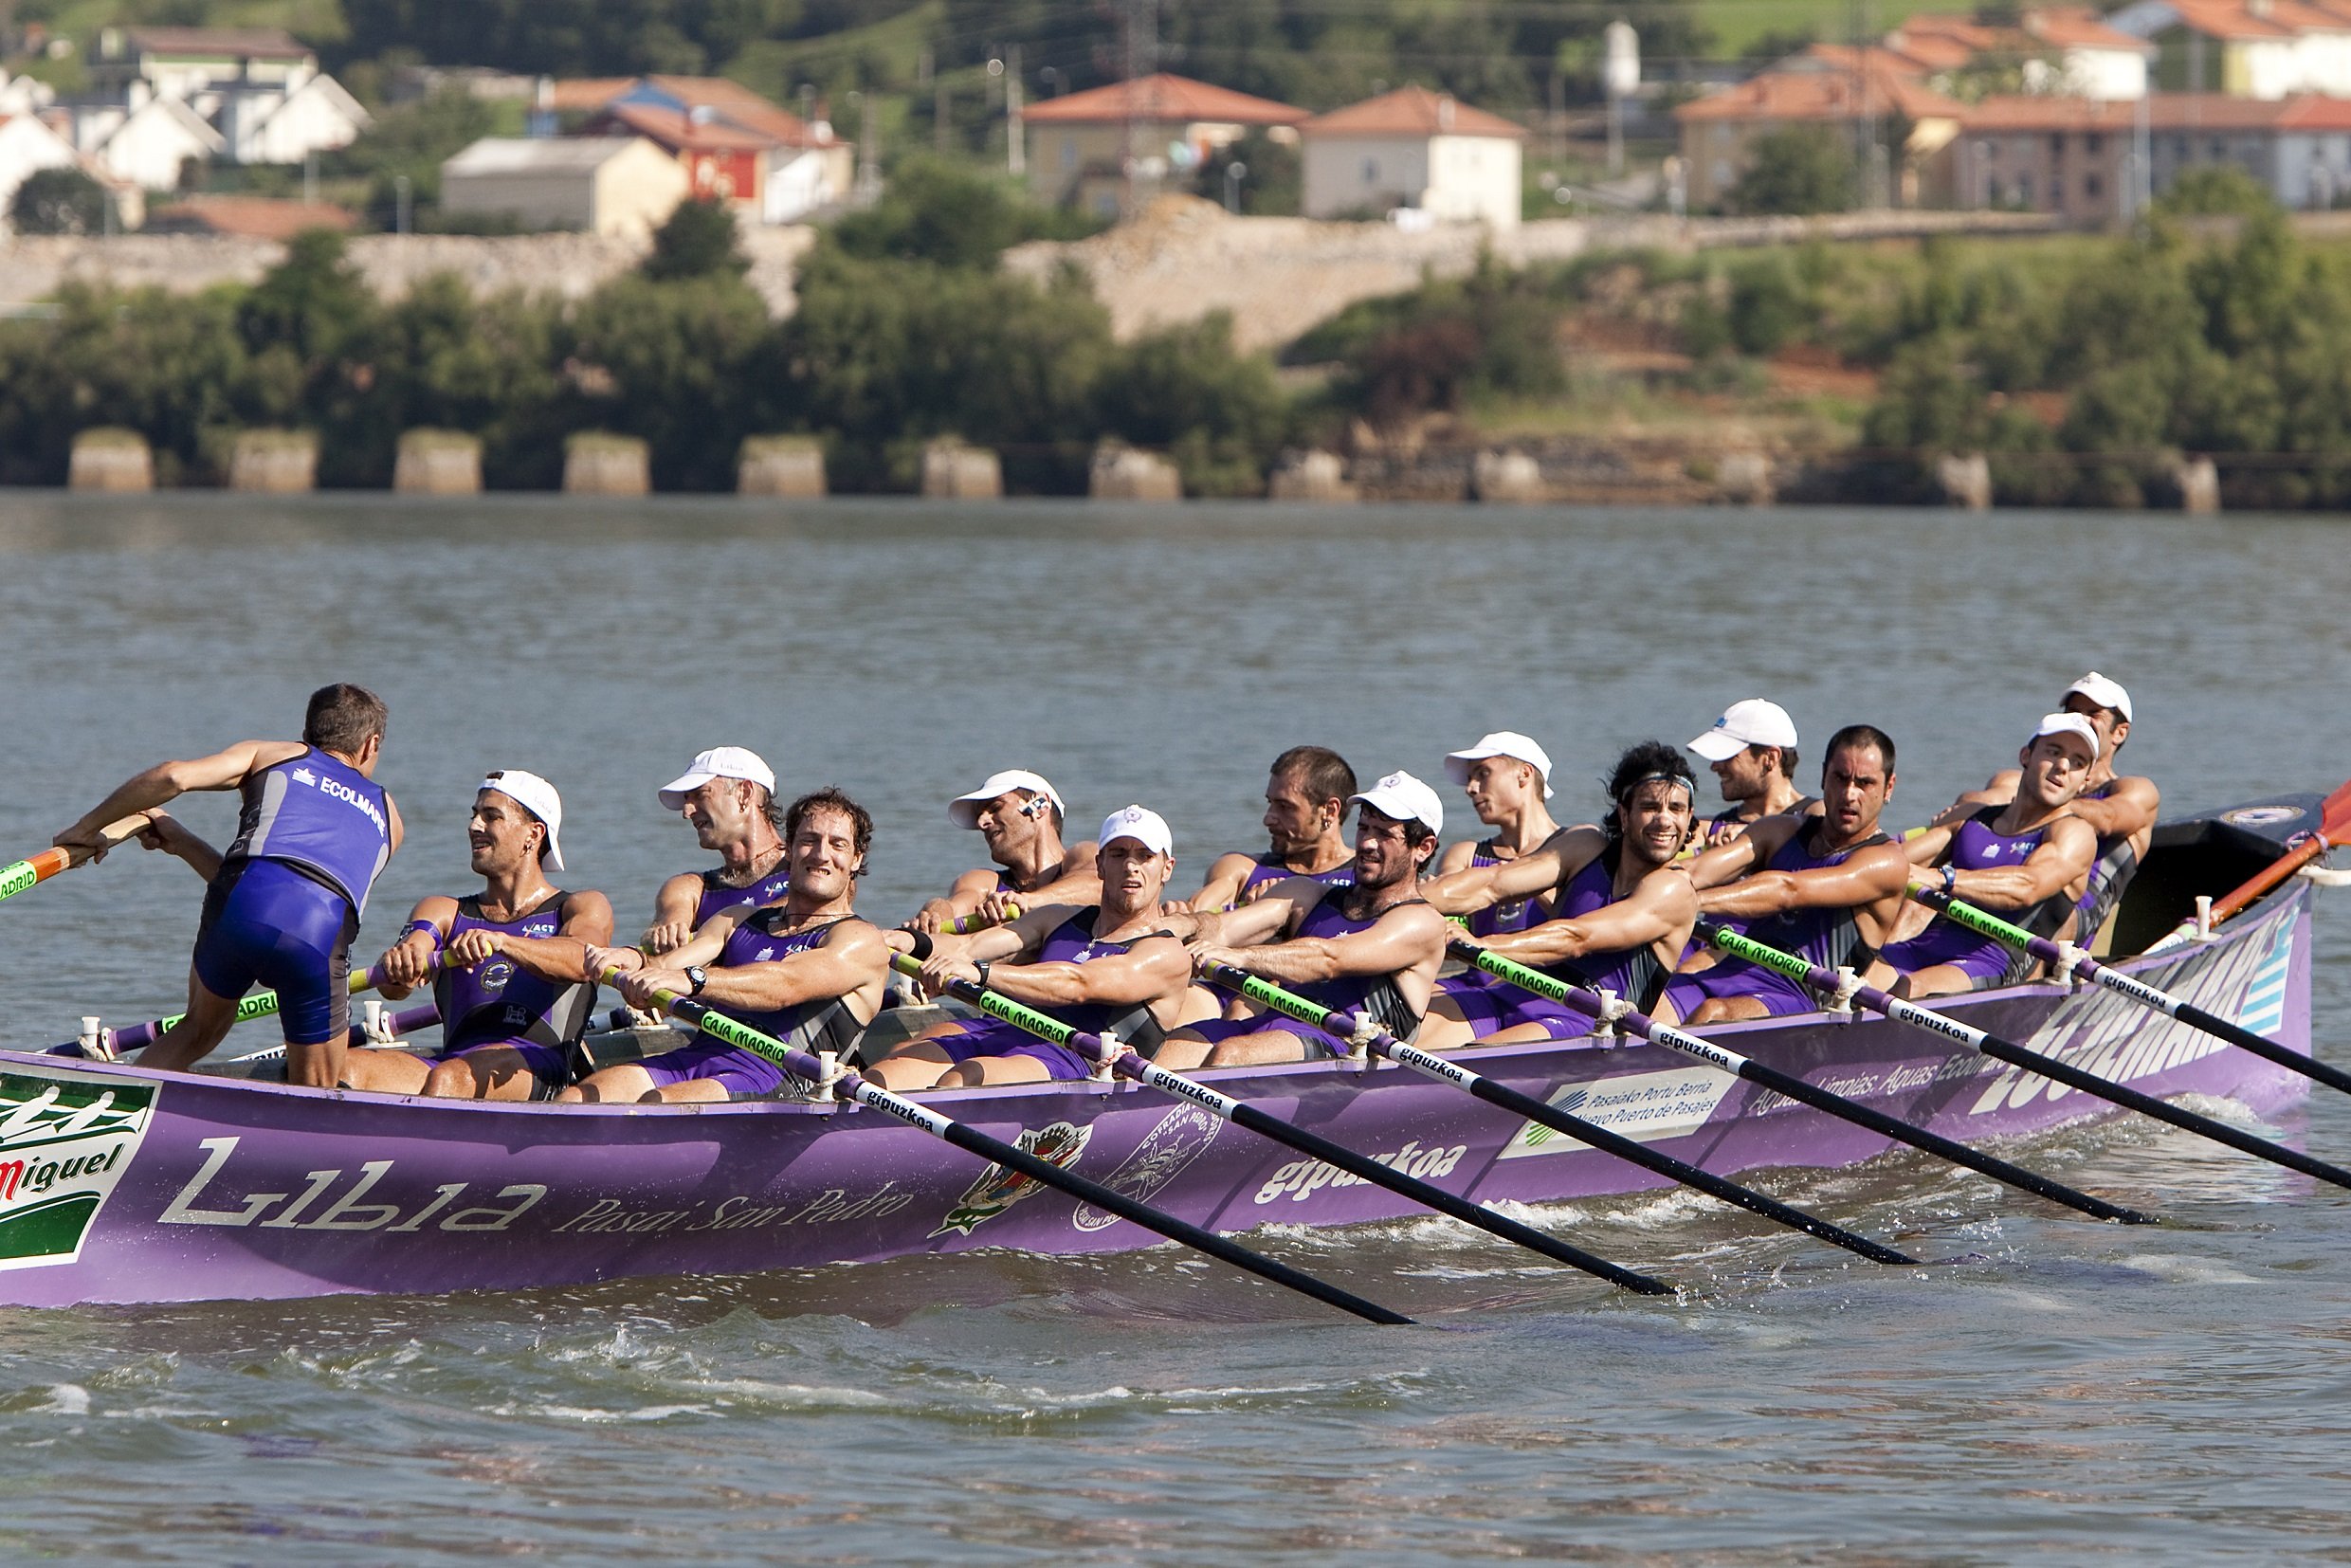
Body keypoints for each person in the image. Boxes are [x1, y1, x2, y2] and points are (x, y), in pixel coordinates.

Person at [54, 684, 402, 1088]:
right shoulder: (390, 818)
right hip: (318, 936)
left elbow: (173, 777)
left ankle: (125, 1105)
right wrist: (182, 842)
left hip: (240, 909)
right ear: (371, 744)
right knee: (319, 1084)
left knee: (198, 1029)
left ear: (307, 733)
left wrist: (87, 828)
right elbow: (300, 892)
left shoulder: (271, 755)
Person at [569, 788, 889, 1103]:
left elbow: (785, 984)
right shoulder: (736, 919)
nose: (821, 854)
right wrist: (634, 962)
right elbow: (665, 967)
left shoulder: (860, 940)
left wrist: (694, 980)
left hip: (775, 1081)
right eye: (809, 840)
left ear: (856, 859)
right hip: (697, 1058)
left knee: (659, 1102)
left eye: (837, 844)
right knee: (579, 1096)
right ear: (789, 850)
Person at [869, 806, 1197, 1089]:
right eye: (1118, 854)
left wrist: (979, 973)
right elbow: (969, 945)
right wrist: (909, 942)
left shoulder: (1166, 953)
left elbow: (1078, 983)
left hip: (1079, 1057)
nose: (1130, 866)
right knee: (893, 1066)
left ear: (1167, 868)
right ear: (1100, 865)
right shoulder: (1056, 917)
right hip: (1008, 1028)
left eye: (1145, 856)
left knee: (968, 1076)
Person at [1154, 772, 1451, 1070]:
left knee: (1231, 1055)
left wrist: (1239, 957)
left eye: (1384, 834)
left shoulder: (1422, 922)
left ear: (1423, 847)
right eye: (1363, 828)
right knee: (1174, 1049)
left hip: (1347, 1044)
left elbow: (1329, 958)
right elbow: (1223, 928)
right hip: (1273, 1025)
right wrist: (1182, 926)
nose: (1367, 843)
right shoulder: (1308, 894)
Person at [342, 773, 611, 1100]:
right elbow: (394, 987)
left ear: (533, 834)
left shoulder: (579, 906)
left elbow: (583, 959)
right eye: (474, 814)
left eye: (491, 816)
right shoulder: (443, 910)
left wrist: (501, 941)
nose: (474, 826)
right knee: (341, 1068)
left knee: (451, 1079)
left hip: (536, 1069)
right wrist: (402, 962)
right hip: (451, 1065)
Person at [1416, 740, 1702, 1044]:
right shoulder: (1586, 846)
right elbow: (1491, 884)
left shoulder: (1674, 889)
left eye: (1676, 809)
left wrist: (1482, 945)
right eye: (1649, 807)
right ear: (1624, 814)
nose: (1664, 820)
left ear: (1689, 817)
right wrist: (1401, 901)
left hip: (1583, 1018)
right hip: (1516, 991)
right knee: (1407, 1031)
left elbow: (1576, 938)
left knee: (1474, 1055)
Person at [1664, 725, 1912, 1024]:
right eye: (1840, 778)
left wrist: (1690, 902)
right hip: (1726, 973)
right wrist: (1649, 888)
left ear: (1888, 787)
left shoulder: (1887, 862)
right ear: (1823, 776)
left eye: (1865, 783)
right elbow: (1694, 871)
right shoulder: (1779, 830)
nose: (1849, 794)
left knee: (1713, 1013)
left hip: (1798, 998)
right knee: (1649, 1001)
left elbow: (1788, 890)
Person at [1872, 714, 2103, 999]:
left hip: (1992, 963)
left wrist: (1942, 878)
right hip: (1923, 946)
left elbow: (2027, 887)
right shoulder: (1973, 818)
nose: (2063, 767)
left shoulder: (2075, 834)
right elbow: (1893, 862)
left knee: (1911, 988)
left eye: (2078, 763)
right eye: (2054, 752)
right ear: (2026, 756)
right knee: (1851, 973)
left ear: (2084, 782)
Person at [1943, 672, 2158, 952]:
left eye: (2093, 714)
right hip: (2005, 887)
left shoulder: (2136, 790)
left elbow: (2108, 819)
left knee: (2049, 908)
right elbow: (1971, 805)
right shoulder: (2015, 780)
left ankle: (2028, 973)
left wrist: (2032, 801)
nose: (2081, 719)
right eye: (2073, 711)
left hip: (2070, 912)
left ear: (2120, 732)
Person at [641, 747, 791, 957]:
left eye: (700, 795)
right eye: (686, 799)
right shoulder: (691, 889)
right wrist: (664, 933)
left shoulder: (811, 868)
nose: (687, 812)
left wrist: (729, 924)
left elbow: (820, 904)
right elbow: (663, 926)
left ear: (744, 793)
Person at [908, 770, 1100, 934]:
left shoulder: (1083, 855)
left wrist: (1027, 901)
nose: (981, 823)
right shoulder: (985, 882)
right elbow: (955, 906)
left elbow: (1097, 885)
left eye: (995, 808)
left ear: (1040, 804)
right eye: (979, 816)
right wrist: (935, 914)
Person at [1189, 746, 1358, 910]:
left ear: (1329, 811)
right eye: (1270, 803)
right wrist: (1252, 913)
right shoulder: (1241, 870)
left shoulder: (1365, 876)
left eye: (1285, 807)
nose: (1268, 819)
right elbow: (1195, 915)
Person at [1687, 699, 1819, 849]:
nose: (1714, 767)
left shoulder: (1817, 814)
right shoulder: (1709, 829)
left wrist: (1752, 835)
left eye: (1728, 756)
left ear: (1770, 758)